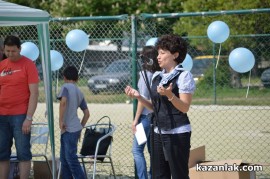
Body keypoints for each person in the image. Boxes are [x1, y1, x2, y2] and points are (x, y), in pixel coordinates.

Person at [125, 34, 196, 179]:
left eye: (162, 53)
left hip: (177, 133)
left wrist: (170, 95)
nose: (158, 56)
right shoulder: (157, 75)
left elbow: (184, 107)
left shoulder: (184, 76)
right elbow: (154, 107)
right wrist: (139, 96)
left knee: (179, 175)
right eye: (158, 53)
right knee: (158, 175)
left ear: (175, 55)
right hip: (157, 132)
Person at [0, 35, 39, 179]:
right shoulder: (2, 65)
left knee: (23, 152)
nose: (10, 54)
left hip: (21, 116)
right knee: (2, 153)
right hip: (2, 115)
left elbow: (34, 93)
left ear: (20, 49)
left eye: (13, 51)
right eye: (7, 51)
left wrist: (28, 118)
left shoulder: (28, 65)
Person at [132, 46, 161, 179]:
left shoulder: (145, 75)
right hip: (154, 117)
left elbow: (142, 99)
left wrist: (136, 120)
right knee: (152, 151)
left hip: (144, 118)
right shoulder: (157, 73)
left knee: (137, 150)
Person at [58, 65, 90, 179]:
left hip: (67, 128)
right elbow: (87, 114)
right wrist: (80, 127)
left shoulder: (65, 87)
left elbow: (63, 102)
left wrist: (61, 120)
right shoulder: (79, 91)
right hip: (75, 128)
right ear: (77, 79)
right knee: (65, 158)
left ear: (64, 77)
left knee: (69, 159)